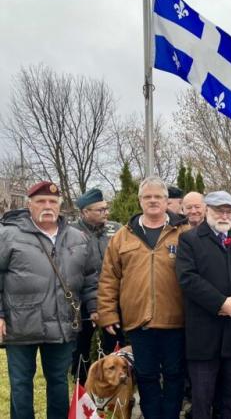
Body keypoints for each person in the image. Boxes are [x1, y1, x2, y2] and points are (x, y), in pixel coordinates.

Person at [0, 181, 98, 419]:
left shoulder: (78, 238)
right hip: (20, 323)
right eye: (40, 201)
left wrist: (95, 308)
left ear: (60, 206)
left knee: (58, 382)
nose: (47, 206)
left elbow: (92, 278)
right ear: (28, 205)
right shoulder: (7, 235)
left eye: (52, 201)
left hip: (62, 324)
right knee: (22, 384)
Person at [98, 176, 189, 419]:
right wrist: (107, 313)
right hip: (139, 321)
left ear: (167, 201)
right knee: (146, 376)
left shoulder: (184, 233)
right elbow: (109, 278)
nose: (152, 201)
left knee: (174, 375)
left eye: (157, 196)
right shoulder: (122, 237)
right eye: (147, 197)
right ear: (139, 201)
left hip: (176, 320)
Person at [176, 191, 231, 419]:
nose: (224, 215)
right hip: (204, 335)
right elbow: (188, 278)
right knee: (202, 398)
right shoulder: (190, 240)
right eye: (219, 210)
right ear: (207, 211)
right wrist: (221, 303)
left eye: (228, 211)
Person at [70, 187, 125, 382]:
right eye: (100, 210)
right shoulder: (71, 233)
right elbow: (77, 272)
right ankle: (82, 388)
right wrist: (92, 304)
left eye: (106, 208)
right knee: (81, 349)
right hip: (83, 304)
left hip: (113, 300)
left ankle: (114, 388)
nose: (106, 213)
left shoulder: (116, 229)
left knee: (116, 347)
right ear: (85, 212)